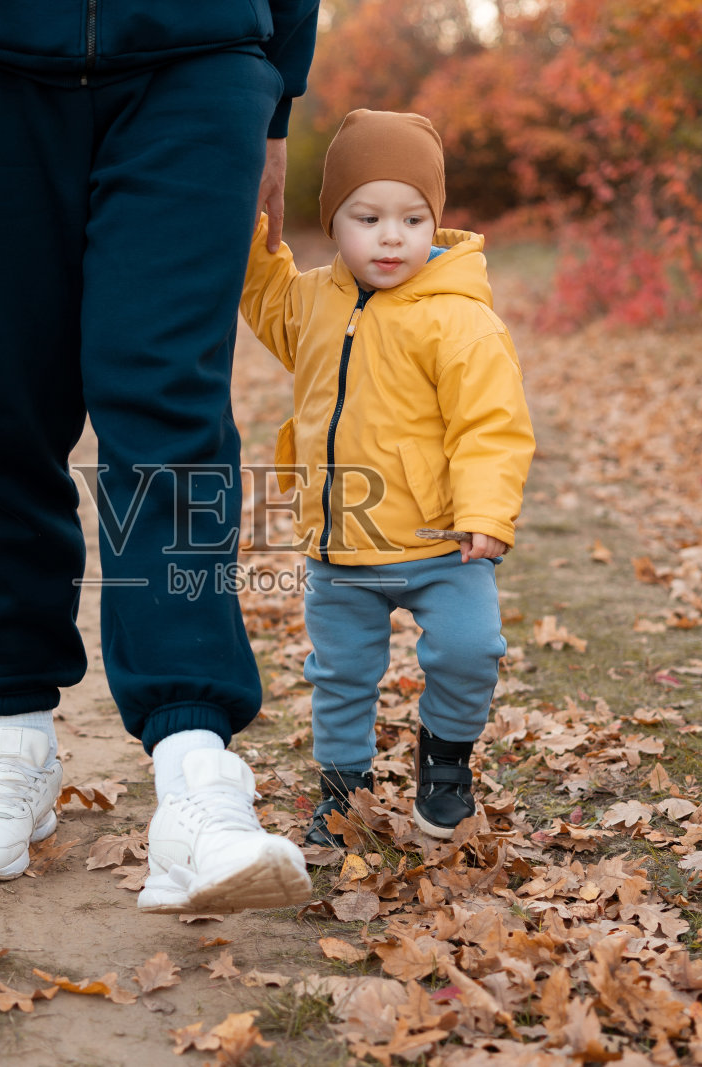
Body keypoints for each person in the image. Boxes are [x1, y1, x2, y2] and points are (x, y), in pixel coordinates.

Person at [0, 2, 319, 913]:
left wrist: (279, 98)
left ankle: (194, 764)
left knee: (170, 402)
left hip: (199, 57)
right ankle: (16, 734)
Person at [239, 109, 535, 848]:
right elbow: (260, 288)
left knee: (471, 650)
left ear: (434, 221)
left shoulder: (459, 319)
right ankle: (343, 794)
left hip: (443, 546)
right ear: (332, 222)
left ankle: (445, 765)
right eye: (367, 217)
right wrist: (244, 217)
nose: (392, 236)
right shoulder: (311, 302)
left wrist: (487, 512)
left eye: (413, 217)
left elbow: (489, 425)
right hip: (344, 544)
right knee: (340, 677)